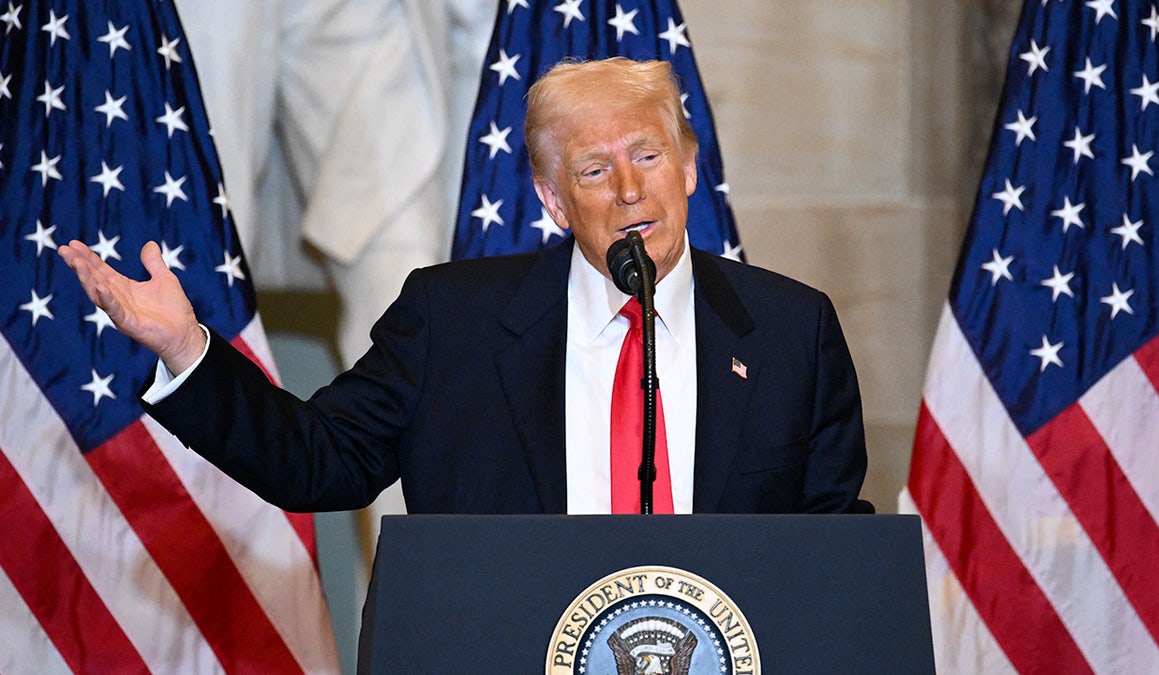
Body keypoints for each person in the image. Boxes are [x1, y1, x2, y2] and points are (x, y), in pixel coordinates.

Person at [58, 57, 869, 516]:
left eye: (649, 156)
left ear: (689, 166)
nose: (629, 189)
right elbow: (316, 462)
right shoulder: (453, 322)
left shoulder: (792, 330)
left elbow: (830, 556)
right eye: (594, 169)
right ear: (552, 199)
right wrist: (188, 349)